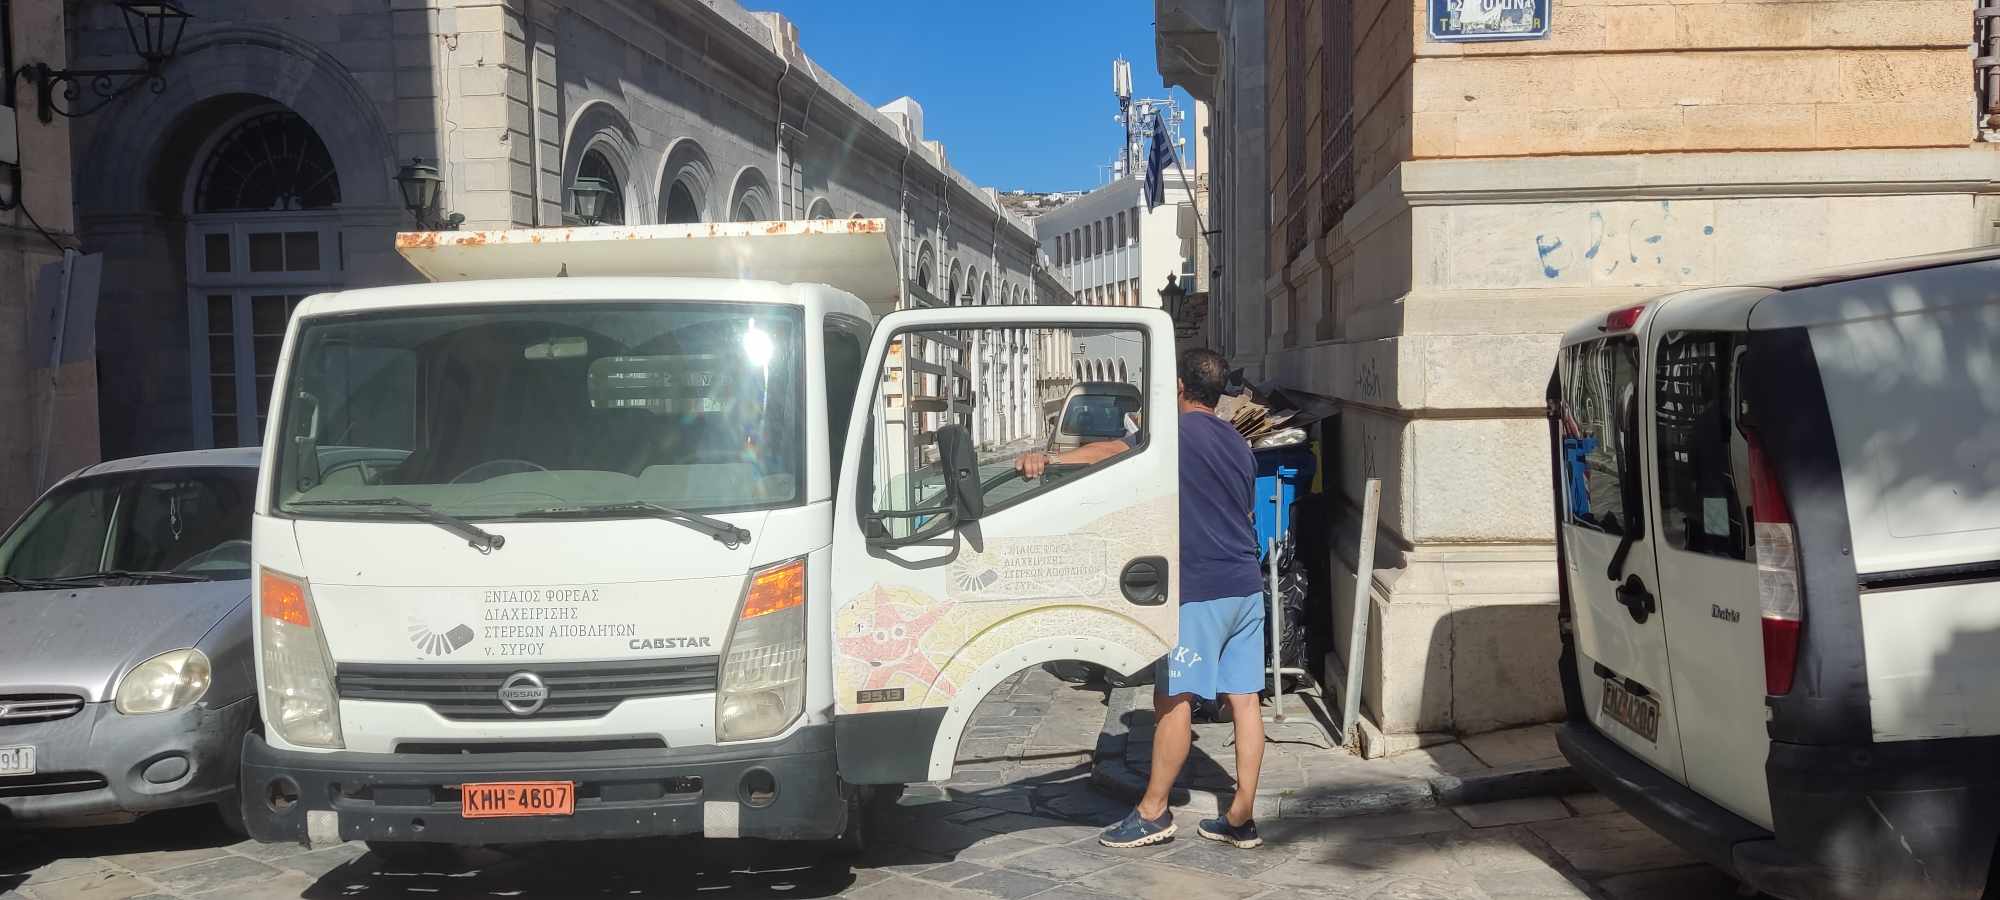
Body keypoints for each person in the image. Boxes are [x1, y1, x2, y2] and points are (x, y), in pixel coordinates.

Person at [1014, 347, 1266, 850]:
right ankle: (1240, 816)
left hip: (1198, 591)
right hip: (1245, 584)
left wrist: (1051, 459)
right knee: (1245, 700)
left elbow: (1111, 451)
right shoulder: (1239, 443)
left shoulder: (1171, 434)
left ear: (1178, 386)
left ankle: (1153, 812)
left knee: (1173, 699)